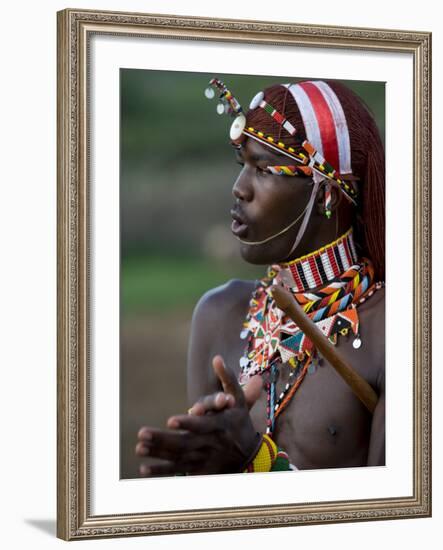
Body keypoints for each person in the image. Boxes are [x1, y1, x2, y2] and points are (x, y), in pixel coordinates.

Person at [135, 78, 385, 476]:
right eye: (242, 166)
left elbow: (388, 523)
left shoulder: (395, 331)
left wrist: (256, 461)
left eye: (264, 170)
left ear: (327, 194)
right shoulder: (218, 314)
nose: (239, 189)